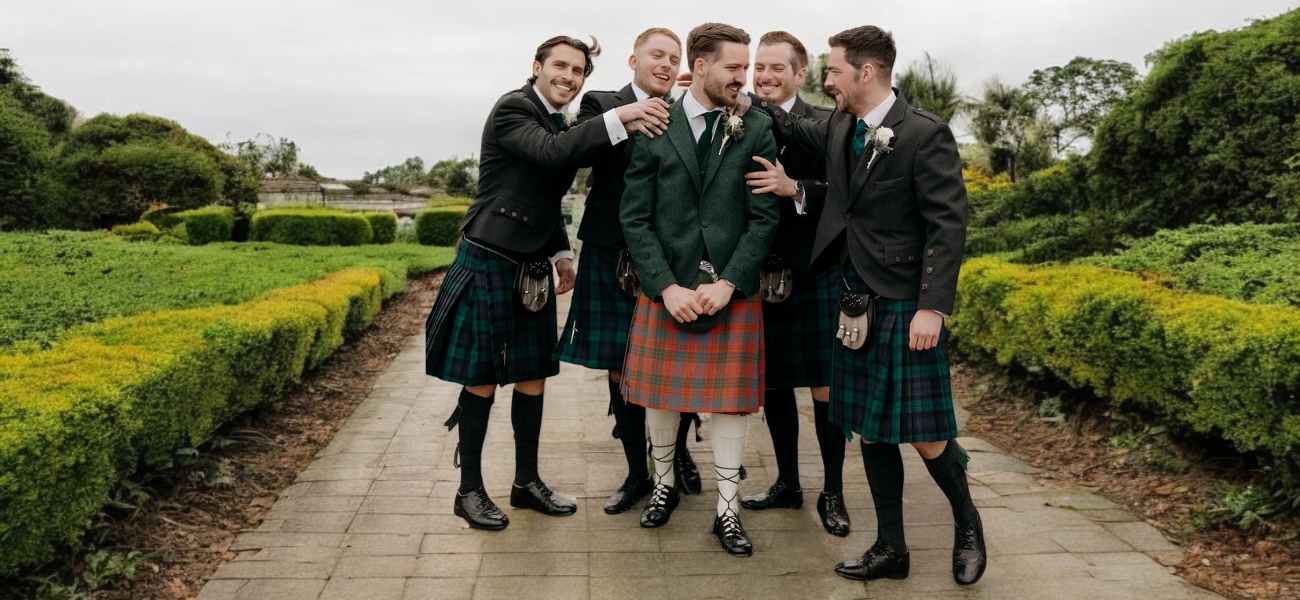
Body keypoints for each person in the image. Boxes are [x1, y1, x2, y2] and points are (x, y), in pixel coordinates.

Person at [751, 25, 984, 584]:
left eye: (832, 72)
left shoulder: (924, 134)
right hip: (852, 298)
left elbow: (948, 225)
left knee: (925, 433)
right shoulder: (841, 126)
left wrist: (934, 306)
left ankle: (968, 522)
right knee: (872, 428)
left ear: (867, 72)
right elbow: (844, 198)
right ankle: (890, 548)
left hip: (906, 301)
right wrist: (795, 189)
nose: (826, 81)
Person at [425, 35, 671, 531]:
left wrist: (560, 252)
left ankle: (525, 482)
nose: (569, 77)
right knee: (484, 378)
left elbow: (545, 191)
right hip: (490, 256)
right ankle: (468, 490)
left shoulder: (557, 119)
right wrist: (622, 116)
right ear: (536, 66)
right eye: (560, 66)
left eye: (578, 71)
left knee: (533, 375)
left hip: (532, 262)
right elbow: (553, 154)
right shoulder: (513, 109)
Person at [620, 22, 779, 558]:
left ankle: (727, 510)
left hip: (733, 292)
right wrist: (665, 287)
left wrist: (731, 282)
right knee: (660, 399)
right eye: (735, 67)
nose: (745, 76)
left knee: (733, 407)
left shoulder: (754, 126)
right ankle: (663, 485)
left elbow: (764, 218)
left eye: (747, 65)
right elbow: (635, 219)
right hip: (668, 289)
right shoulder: (655, 123)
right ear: (703, 66)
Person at [554, 28, 705, 516]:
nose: (665, 63)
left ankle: (676, 453)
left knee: (674, 362)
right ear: (634, 59)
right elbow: (580, 151)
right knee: (621, 368)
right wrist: (628, 116)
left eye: (673, 57)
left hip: (669, 256)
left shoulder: (686, 108)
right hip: (610, 251)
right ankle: (638, 473)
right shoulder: (602, 102)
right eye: (656, 55)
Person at [737, 30, 850, 539]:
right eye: (759, 67)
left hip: (816, 271)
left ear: (800, 74)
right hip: (760, 272)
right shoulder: (734, 121)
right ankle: (787, 483)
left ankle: (833, 491)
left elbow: (852, 195)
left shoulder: (827, 122)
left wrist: (794, 188)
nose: (764, 76)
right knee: (774, 384)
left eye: (776, 68)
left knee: (825, 388)